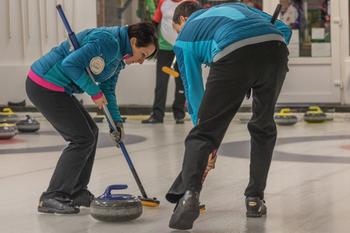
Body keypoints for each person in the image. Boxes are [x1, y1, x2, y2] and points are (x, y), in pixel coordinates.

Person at [165, 1, 291, 230]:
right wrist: (259, 69)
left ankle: (189, 195)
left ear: (182, 21)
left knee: (202, 134)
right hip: (276, 49)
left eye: (176, 30)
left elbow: (194, 92)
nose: (177, 35)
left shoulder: (184, 38)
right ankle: (254, 199)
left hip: (231, 51)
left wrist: (207, 141)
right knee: (263, 127)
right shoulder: (236, 7)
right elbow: (284, 30)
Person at [26, 22, 158, 214]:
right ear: (134, 41)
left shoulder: (119, 57)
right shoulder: (107, 41)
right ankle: (53, 196)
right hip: (44, 83)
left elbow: (108, 90)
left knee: (91, 133)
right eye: (143, 55)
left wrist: (116, 123)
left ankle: (77, 191)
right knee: (81, 138)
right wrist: (93, 92)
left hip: (60, 89)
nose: (140, 61)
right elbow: (70, 64)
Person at [142, 0, 187, 124]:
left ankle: (179, 113)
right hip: (164, 48)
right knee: (161, 82)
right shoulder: (163, 2)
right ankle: (157, 114)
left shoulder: (190, 2)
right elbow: (155, 21)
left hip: (182, 48)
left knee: (181, 82)